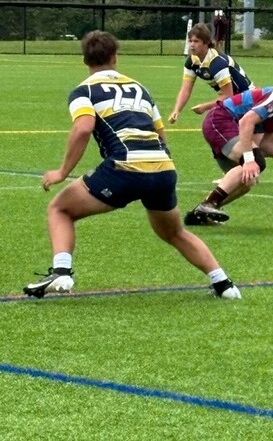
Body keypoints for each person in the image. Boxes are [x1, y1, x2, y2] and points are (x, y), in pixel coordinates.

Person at [24, 30, 241, 299]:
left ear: (84, 60)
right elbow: (161, 134)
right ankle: (224, 285)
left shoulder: (84, 91)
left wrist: (62, 172)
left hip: (124, 167)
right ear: (115, 57)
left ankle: (62, 272)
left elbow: (82, 129)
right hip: (162, 168)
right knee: (174, 232)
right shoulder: (141, 89)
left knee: (60, 208)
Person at [185, 75, 273, 225]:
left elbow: (265, 145)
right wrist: (249, 159)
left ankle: (199, 215)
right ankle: (207, 205)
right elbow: (247, 121)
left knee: (248, 181)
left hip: (228, 126)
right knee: (254, 162)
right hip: (221, 119)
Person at [168, 23, 254, 124]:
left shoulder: (217, 63)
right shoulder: (192, 61)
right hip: (232, 102)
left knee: (250, 138)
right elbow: (185, 90)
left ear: (206, 42)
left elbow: (228, 96)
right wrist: (176, 110)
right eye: (190, 41)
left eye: (196, 41)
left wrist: (205, 107)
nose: (191, 45)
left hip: (248, 100)